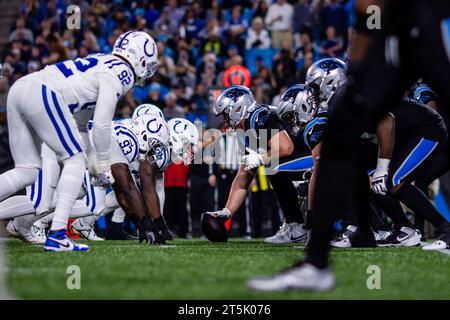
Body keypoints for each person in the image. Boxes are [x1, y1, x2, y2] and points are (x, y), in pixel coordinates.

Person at [247, 0, 450, 291]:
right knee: (340, 137)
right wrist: (358, 69)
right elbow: (368, 12)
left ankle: (442, 228)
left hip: (430, 23)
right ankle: (322, 258)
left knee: (390, 177)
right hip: (395, 28)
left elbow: (387, 120)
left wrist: (381, 166)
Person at [0, 30, 158, 252]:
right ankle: (57, 235)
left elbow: (82, 125)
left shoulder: (102, 61)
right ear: (140, 58)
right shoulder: (122, 72)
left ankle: (53, 232)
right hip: (43, 93)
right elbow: (102, 124)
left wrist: (94, 164)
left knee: (26, 171)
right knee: (74, 160)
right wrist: (103, 164)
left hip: (22, 88)